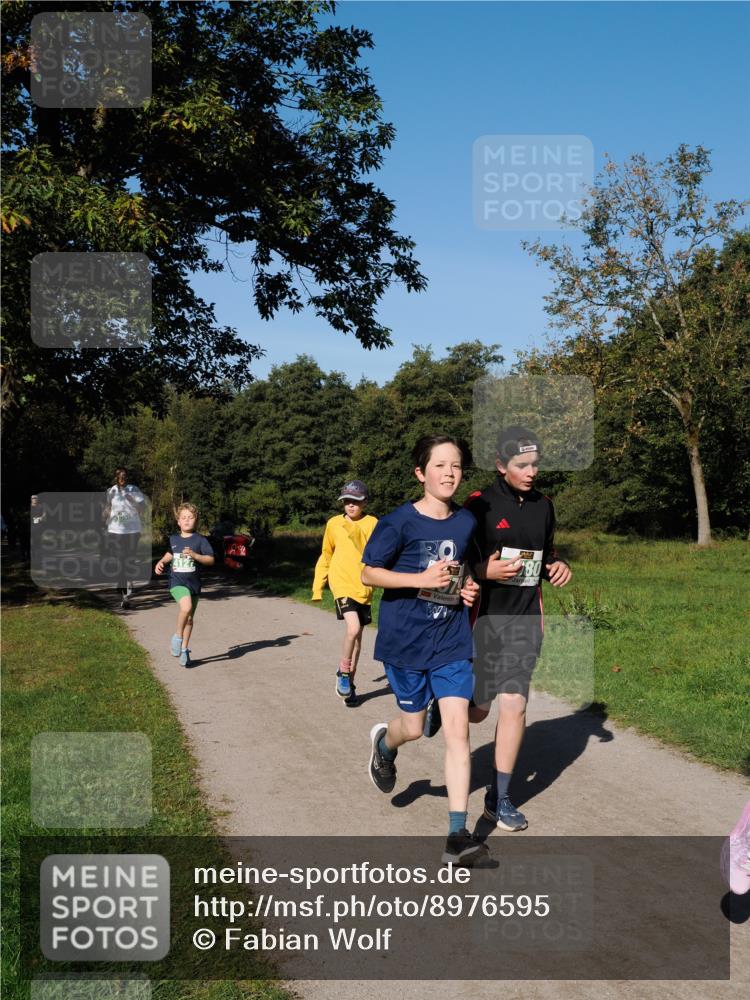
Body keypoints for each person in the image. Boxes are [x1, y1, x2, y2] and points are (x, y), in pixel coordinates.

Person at [361, 435, 487, 866]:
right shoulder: (399, 523)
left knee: (459, 731)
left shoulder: (465, 521)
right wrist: (420, 580)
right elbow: (368, 573)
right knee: (413, 727)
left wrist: (468, 587)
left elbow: (463, 568)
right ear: (420, 473)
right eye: (440, 466)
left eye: (456, 466)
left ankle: (457, 834)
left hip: (451, 639)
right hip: (406, 642)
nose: (449, 473)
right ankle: (384, 745)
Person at [466, 426, 571, 832]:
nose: (531, 472)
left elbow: (548, 555)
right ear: (500, 464)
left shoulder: (545, 506)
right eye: (522, 465)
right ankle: (443, 703)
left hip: (525, 620)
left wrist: (557, 567)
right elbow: (458, 561)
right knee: (478, 712)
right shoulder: (479, 504)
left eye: (535, 464)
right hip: (484, 619)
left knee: (515, 705)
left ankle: (500, 797)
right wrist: (483, 571)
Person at [312, 480, 378, 706]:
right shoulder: (333, 524)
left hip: (364, 587)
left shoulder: (373, 523)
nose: (351, 505)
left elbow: (378, 553)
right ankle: (342, 671)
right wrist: (318, 586)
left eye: (356, 501)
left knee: (357, 641)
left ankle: (350, 685)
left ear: (364, 502)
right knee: (353, 628)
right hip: (340, 583)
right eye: (347, 501)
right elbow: (326, 555)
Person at [155, 502, 215, 668]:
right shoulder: (174, 539)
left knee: (189, 619)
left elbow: (210, 559)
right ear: (178, 522)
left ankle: (184, 649)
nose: (187, 520)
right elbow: (169, 554)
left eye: (190, 517)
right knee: (186, 607)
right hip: (177, 582)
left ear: (196, 520)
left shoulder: (200, 540)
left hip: (193, 584)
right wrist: (161, 561)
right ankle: (177, 637)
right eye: (184, 517)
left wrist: (196, 555)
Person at [103, 467, 145, 608]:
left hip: (133, 530)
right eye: (119, 476)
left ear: (127, 477)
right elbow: (108, 508)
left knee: (129, 559)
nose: (122, 478)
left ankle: (126, 582)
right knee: (120, 559)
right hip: (115, 531)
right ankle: (124, 591)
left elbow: (142, 509)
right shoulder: (111, 491)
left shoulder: (134, 489)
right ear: (116, 477)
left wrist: (131, 500)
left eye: (124, 476)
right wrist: (102, 519)